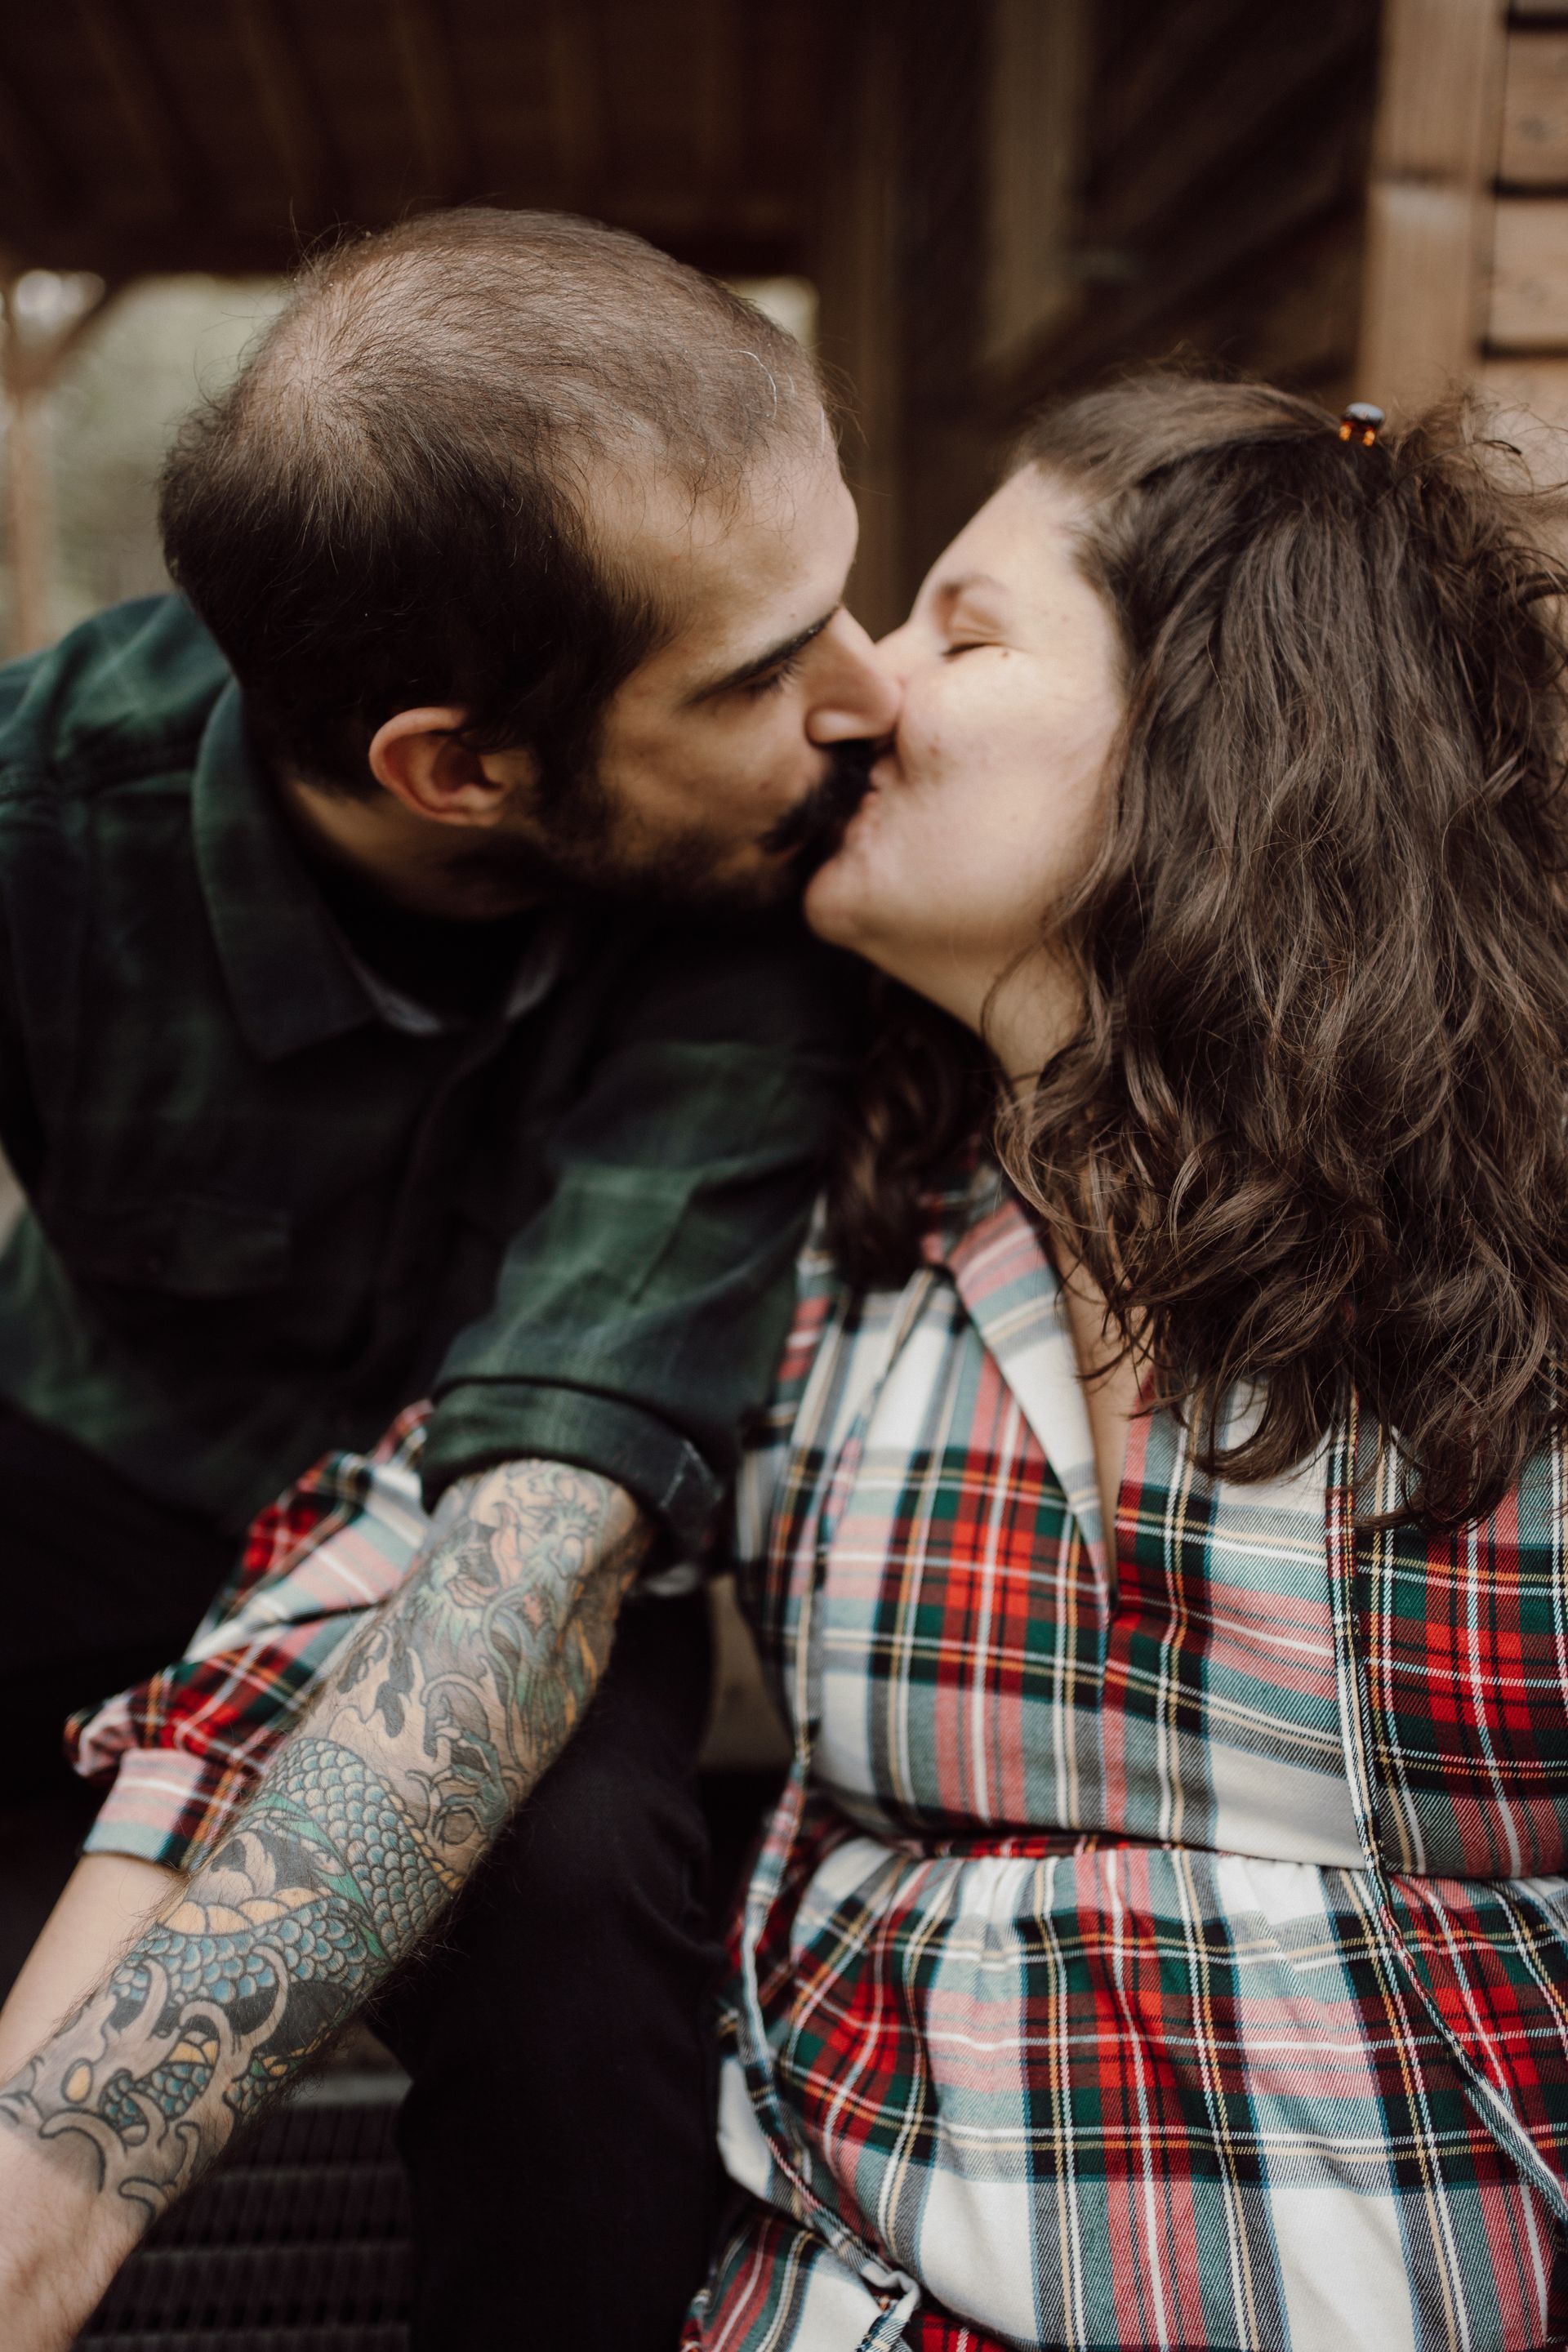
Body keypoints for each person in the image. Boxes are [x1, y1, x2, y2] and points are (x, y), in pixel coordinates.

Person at [31, 367, 1568, 2352]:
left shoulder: (1515, 1267)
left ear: (1221, 736)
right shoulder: (842, 1245)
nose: (870, 694)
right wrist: (32, 2184)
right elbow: (361, 1609)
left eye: (960, 626)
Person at [0, 203, 898, 2350]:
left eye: (843, 594)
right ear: (459, 767)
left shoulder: (770, 884)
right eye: (767, 666)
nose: (871, 700)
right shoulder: (39, 821)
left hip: (499, 1567)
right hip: (89, 1479)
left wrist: (47, 2206)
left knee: (588, 1912)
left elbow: (534, 1555)